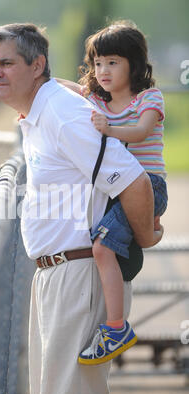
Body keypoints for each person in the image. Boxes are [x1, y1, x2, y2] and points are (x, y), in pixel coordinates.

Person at [0, 23, 163, 394]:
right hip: (55, 274)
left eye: (7, 63)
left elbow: (135, 181)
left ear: (37, 65)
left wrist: (144, 236)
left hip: (79, 275)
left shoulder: (63, 114)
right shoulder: (39, 112)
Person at [57, 20, 168, 366]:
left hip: (147, 185)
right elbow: (64, 88)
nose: (102, 70)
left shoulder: (148, 98)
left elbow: (140, 131)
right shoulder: (97, 101)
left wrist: (110, 128)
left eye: (113, 62)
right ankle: (148, 234)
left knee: (102, 247)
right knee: (108, 249)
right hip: (116, 190)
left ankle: (116, 327)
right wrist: (31, 96)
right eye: (98, 63)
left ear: (134, 64)